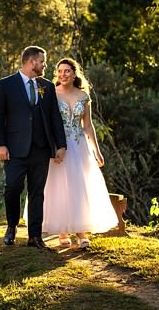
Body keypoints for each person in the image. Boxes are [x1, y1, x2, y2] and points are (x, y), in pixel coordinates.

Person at [0, 46, 67, 248]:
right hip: (14, 149)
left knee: (37, 192)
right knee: (13, 188)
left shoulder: (47, 86)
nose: (45, 65)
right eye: (42, 61)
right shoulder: (5, 85)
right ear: (32, 62)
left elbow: (54, 117)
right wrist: (0, 144)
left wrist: (61, 145)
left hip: (41, 148)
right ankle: (11, 226)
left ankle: (35, 236)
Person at [43, 58, 120, 249]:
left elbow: (88, 126)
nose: (63, 74)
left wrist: (97, 151)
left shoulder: (83, 96)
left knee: (80, 186)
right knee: (58, 186)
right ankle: (62, 230)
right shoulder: (51, 93)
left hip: (79, 146)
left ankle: (81, 232)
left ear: (74, 73)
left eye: (67, 71)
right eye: (60, 71)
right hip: (58, 146)